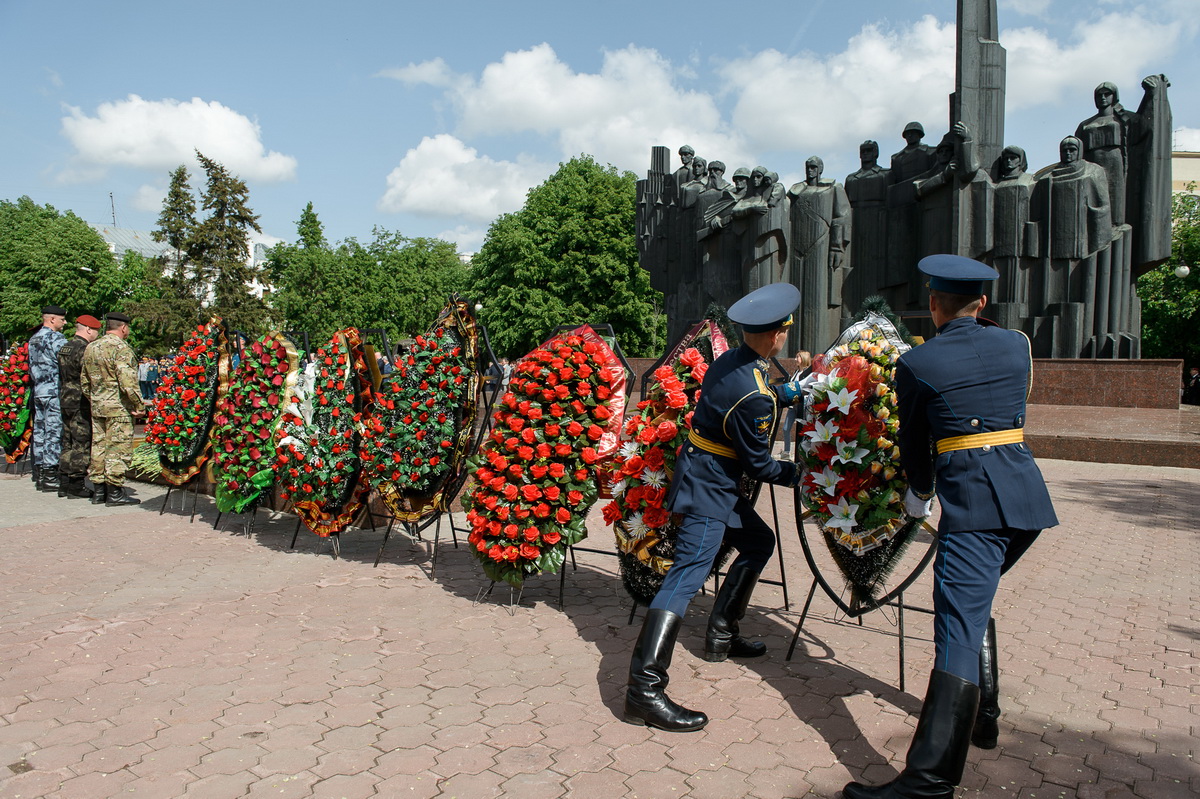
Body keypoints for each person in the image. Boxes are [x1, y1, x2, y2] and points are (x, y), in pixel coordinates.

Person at [843, 255, 1058, 799]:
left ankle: (928, 780)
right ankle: (982, 717)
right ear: (982, 303)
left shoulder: (919, 363)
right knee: (973, 604)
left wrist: (918, 495)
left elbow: (917, 447)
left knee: (956, 631)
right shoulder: (1017, 345)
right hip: (1024, 501)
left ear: (933, 304)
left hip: (974, 506)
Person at [624, 283, 805, 733]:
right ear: (778, 335)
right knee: (686, 575)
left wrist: (788, 393)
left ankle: (722, 632)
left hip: (707, 472)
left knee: (758, 542)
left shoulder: (735, 361)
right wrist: (802, 476)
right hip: (711, 486)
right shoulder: (756, 394)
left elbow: (741, 396)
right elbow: (760, 464)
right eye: (785, 329)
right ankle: (643, 690)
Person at [80, 312, 145, 506]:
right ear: (123, 327)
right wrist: (139, 405)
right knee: (117, 449)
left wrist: (96, 399)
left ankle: (99, 491)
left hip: (98, 406)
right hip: (118, 408)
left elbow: (84, 381)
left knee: (98, 448)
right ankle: (115, 493)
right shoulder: (121, 348)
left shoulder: (91, 347)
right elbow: (128, 382)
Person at [56, 314, 102, 498]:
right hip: (79, 401)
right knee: (81, 442)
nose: (97, 335)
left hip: (65, 398)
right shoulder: (84, 349)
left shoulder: (65, 347)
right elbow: (89, 377)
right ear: (88, 329)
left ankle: (64, 481)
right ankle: (76, 484)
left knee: (67, 441)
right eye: (96, 331)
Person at [27, 305, 69, 492]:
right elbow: (65, 364)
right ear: (52, 319)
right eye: (62, 319)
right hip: (53, 390)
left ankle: (39, 472)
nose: (65, 322)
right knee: (53, 432)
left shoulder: (33, 338)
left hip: (39, 390)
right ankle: (50, 475)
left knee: (40, 432)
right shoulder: (56, 338)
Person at [779, 351, 812, 461]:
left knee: (802, 430)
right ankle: (787, 452)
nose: (795, 359)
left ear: (803, 358)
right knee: (785, 428)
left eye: (797, 357)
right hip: (793, 406)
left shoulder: (808, 373)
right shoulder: (796, 372)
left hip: (802, 406)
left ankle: (800, 453)